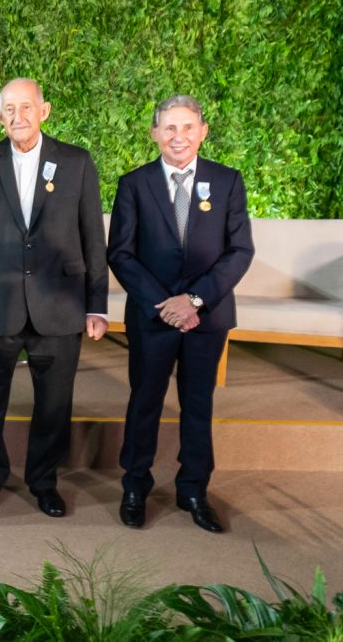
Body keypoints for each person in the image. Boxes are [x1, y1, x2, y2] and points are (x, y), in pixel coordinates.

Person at [0, 78, 108, 517]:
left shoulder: (76, 163)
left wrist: (96, 304)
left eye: (26, 107)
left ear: (45, 110)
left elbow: (93, 238)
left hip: (60, 305)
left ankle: (44, 481)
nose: (18, 116)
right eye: (8, 108)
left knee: (54, 404)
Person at [108, 95, 254, 533]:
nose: (178, 137)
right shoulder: (134, 184)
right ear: (154, 133)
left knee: (198, 404)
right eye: (169, 128)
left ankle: (193, 489)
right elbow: (121, 253)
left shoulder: (227, 181)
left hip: (207, 318)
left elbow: (240, 250)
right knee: (145, 401)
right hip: (153, 317)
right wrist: (168, 305)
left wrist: (193, 301)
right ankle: (135, 486)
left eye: (187, 127)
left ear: (203, 132)